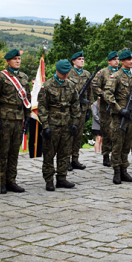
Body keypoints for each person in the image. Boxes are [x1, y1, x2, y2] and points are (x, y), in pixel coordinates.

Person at [0, 48, 31, 193]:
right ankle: (2, 181)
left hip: (19, 119)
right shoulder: (0, 77)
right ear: (8, 61)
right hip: (5, 119)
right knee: (3, 152)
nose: (18, 61)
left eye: (19, 59)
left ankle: (11, 180)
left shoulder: (24, 77)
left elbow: (27, 99)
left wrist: (28, 116)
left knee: (14, 152)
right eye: (15, 59)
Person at [38, 59, 81, 190]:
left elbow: (75, 104)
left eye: (67, 73)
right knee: (49, 153)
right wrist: (45, 126)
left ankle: (62, 178)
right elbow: (42, 107)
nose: (66, 75)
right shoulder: (47, 86)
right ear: (57, 71)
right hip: (52, 124)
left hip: (66, 124)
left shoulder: (71, 85)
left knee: (64, 153)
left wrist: (75, 122)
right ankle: (49, 179)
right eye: (63, 73)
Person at [104, 50, 132, 184]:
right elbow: (108, 95)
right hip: (119, 117)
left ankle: (124, 170)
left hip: (131, 116)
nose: (131, 62)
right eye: (128, 59)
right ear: (122, 62)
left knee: (127, 144)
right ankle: (116, 172)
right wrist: (119, 109)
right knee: (117, 145)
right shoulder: (116, 76)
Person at [91, 51, 119, 167]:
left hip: (117, 106)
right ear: (109, 61)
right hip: (105, 108)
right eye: (114, 59)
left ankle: (116, 156)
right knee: (107, 132)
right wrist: (103, 94)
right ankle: (106, 155)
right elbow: (94, 85)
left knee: (117, 131)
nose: (116, 61)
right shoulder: (102, 73)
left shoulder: (120, 73)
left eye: (118, 59)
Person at [68, 51, 92, 170]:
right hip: (71, 110)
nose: (82, 60)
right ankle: (66, 159)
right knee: (69, 135)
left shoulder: (87, 74)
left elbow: (90, 93)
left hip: (82, 109)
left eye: (82, 59)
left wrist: (89, 109)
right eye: (79, 59)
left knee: (78, 135)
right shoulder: (68, 73)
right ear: (73, 61)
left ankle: (75, 159)